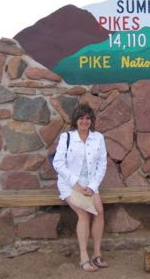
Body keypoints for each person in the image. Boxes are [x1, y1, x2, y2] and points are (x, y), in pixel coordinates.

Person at [52, 103, 108, 272]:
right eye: (81, 118)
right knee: (83, 214)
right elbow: (58, 163)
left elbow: (102, 164)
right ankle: (84, 257)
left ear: (91, 120)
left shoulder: (98, 138)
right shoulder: (66, 138)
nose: (84, 121)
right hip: (69, 183)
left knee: (99, 211)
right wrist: (76, 183)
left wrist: (92, 186)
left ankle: (96, 254)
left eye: (88, 118)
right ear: (75, 120)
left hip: (90, 183)